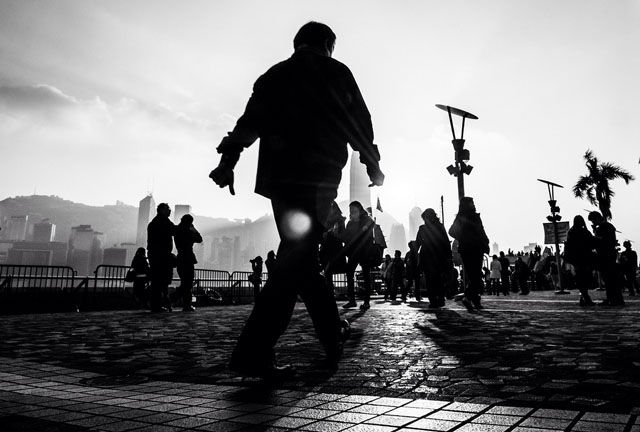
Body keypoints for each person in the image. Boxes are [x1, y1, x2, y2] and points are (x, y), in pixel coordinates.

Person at [209, 21, 384, 377]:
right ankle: (253, 351)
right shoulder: (336, 72)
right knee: (297, 258)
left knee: (299, 256)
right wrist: (372, 163)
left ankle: (330, 332)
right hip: (318, 181)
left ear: (297, 43)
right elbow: (359, 122)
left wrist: (228, 162)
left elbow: (248, 122)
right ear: (328, 44)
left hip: (280, 182)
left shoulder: (274, 75)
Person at [448, 197, 490, 311]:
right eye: (472, 203)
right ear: (467, 205)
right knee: (475, 276)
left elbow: (482, 231)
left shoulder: (473, 217)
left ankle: (475, 300)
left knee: (475, 276)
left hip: (473, 249)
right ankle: (469, 297)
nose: (474, 205)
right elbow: (451, 231)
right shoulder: (464, 217)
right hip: (471, 249)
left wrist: (485, 242)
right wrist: (464, 238)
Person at [341, 201, 376, 310]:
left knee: (366, 276)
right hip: (353, 252)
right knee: (349, 274)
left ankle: (366, 302)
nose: (352, 212)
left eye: (354, 210)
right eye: (351, 210)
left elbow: (371, 225)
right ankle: (352, 300)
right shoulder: (350, 223)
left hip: (364, 252)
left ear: (360, 210)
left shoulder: (366, 219)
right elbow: (346, 237)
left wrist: (364, 226)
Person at [415, 208, 452, 308]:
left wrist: (415, 256)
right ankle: (440, 299)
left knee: (430, 280)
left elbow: (417, 243)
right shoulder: (440, 227)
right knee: (439, 279)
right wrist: (449, 256)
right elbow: (446, 242)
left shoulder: (423, 229)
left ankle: (434, 300)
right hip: (439, 257)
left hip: (428, 257)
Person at [588, 211, 624, 306]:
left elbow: (599, 240)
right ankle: (615, 298)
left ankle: (612, 299)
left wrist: (594, 231)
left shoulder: (603, 228)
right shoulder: (609, 226)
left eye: (593, 221)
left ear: (597, 219)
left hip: (605, 255)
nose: (593, 223)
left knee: (608, 279)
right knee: (611, 278)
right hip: (610, 254)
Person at [147, 203, 176, 313]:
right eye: (168, 209)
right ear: (162, 210)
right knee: (160, 282)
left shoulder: (155, 222)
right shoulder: (163, 222)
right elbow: (174, 230)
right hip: (161, 256)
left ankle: (156, 305)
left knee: (157, 282)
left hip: (155, 255)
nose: (170, 211)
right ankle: (157, 306)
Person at [564, 215, 596, 306]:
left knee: (580, 278)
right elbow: (592, 242)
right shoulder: (585, 231)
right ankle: (585, 297)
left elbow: (569, 246)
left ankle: (583, 297)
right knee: (585, 278)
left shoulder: (571, 232)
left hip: (576, 259)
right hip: (585, 258)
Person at [174, 214, 203, 311]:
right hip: (188, 259)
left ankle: (176, 301)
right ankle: (180, 302)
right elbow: (199, 239)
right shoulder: (188, 232)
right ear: (190, 222)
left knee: (184, 283)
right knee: (188, 284)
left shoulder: (177, 230)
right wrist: (193, 229)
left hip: (180, 258)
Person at [319, 202, 347, 294]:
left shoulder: (339, 221)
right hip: (326, 250)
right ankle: (329, 293)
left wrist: (335, 233)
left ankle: (329, 293)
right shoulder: (325, 220)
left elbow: (343, 235)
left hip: (334, 250)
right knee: (327, 273)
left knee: (328, 272)